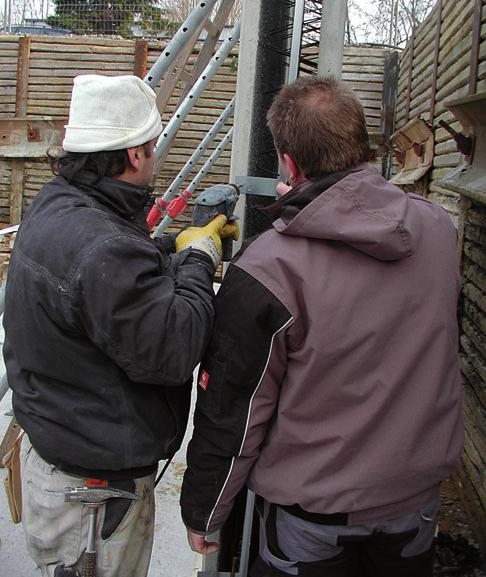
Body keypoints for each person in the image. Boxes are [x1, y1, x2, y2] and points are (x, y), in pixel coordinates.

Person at [180, 76, 464, 577]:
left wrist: (205, 509)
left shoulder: (267, 268)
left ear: (289, 164)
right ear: (362, 144)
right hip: (413, 501)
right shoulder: (439, 230)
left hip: (313, 518)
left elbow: (236, 406)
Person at [3, 74, 236, 577]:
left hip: (65, 454)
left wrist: (170, 246)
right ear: (135, 155)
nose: (155, 156)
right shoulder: (103, 244)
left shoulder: (60, 205)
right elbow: (174, 345)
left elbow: (108, 281)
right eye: (152, 147)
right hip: (92, 500)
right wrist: (199, 257)